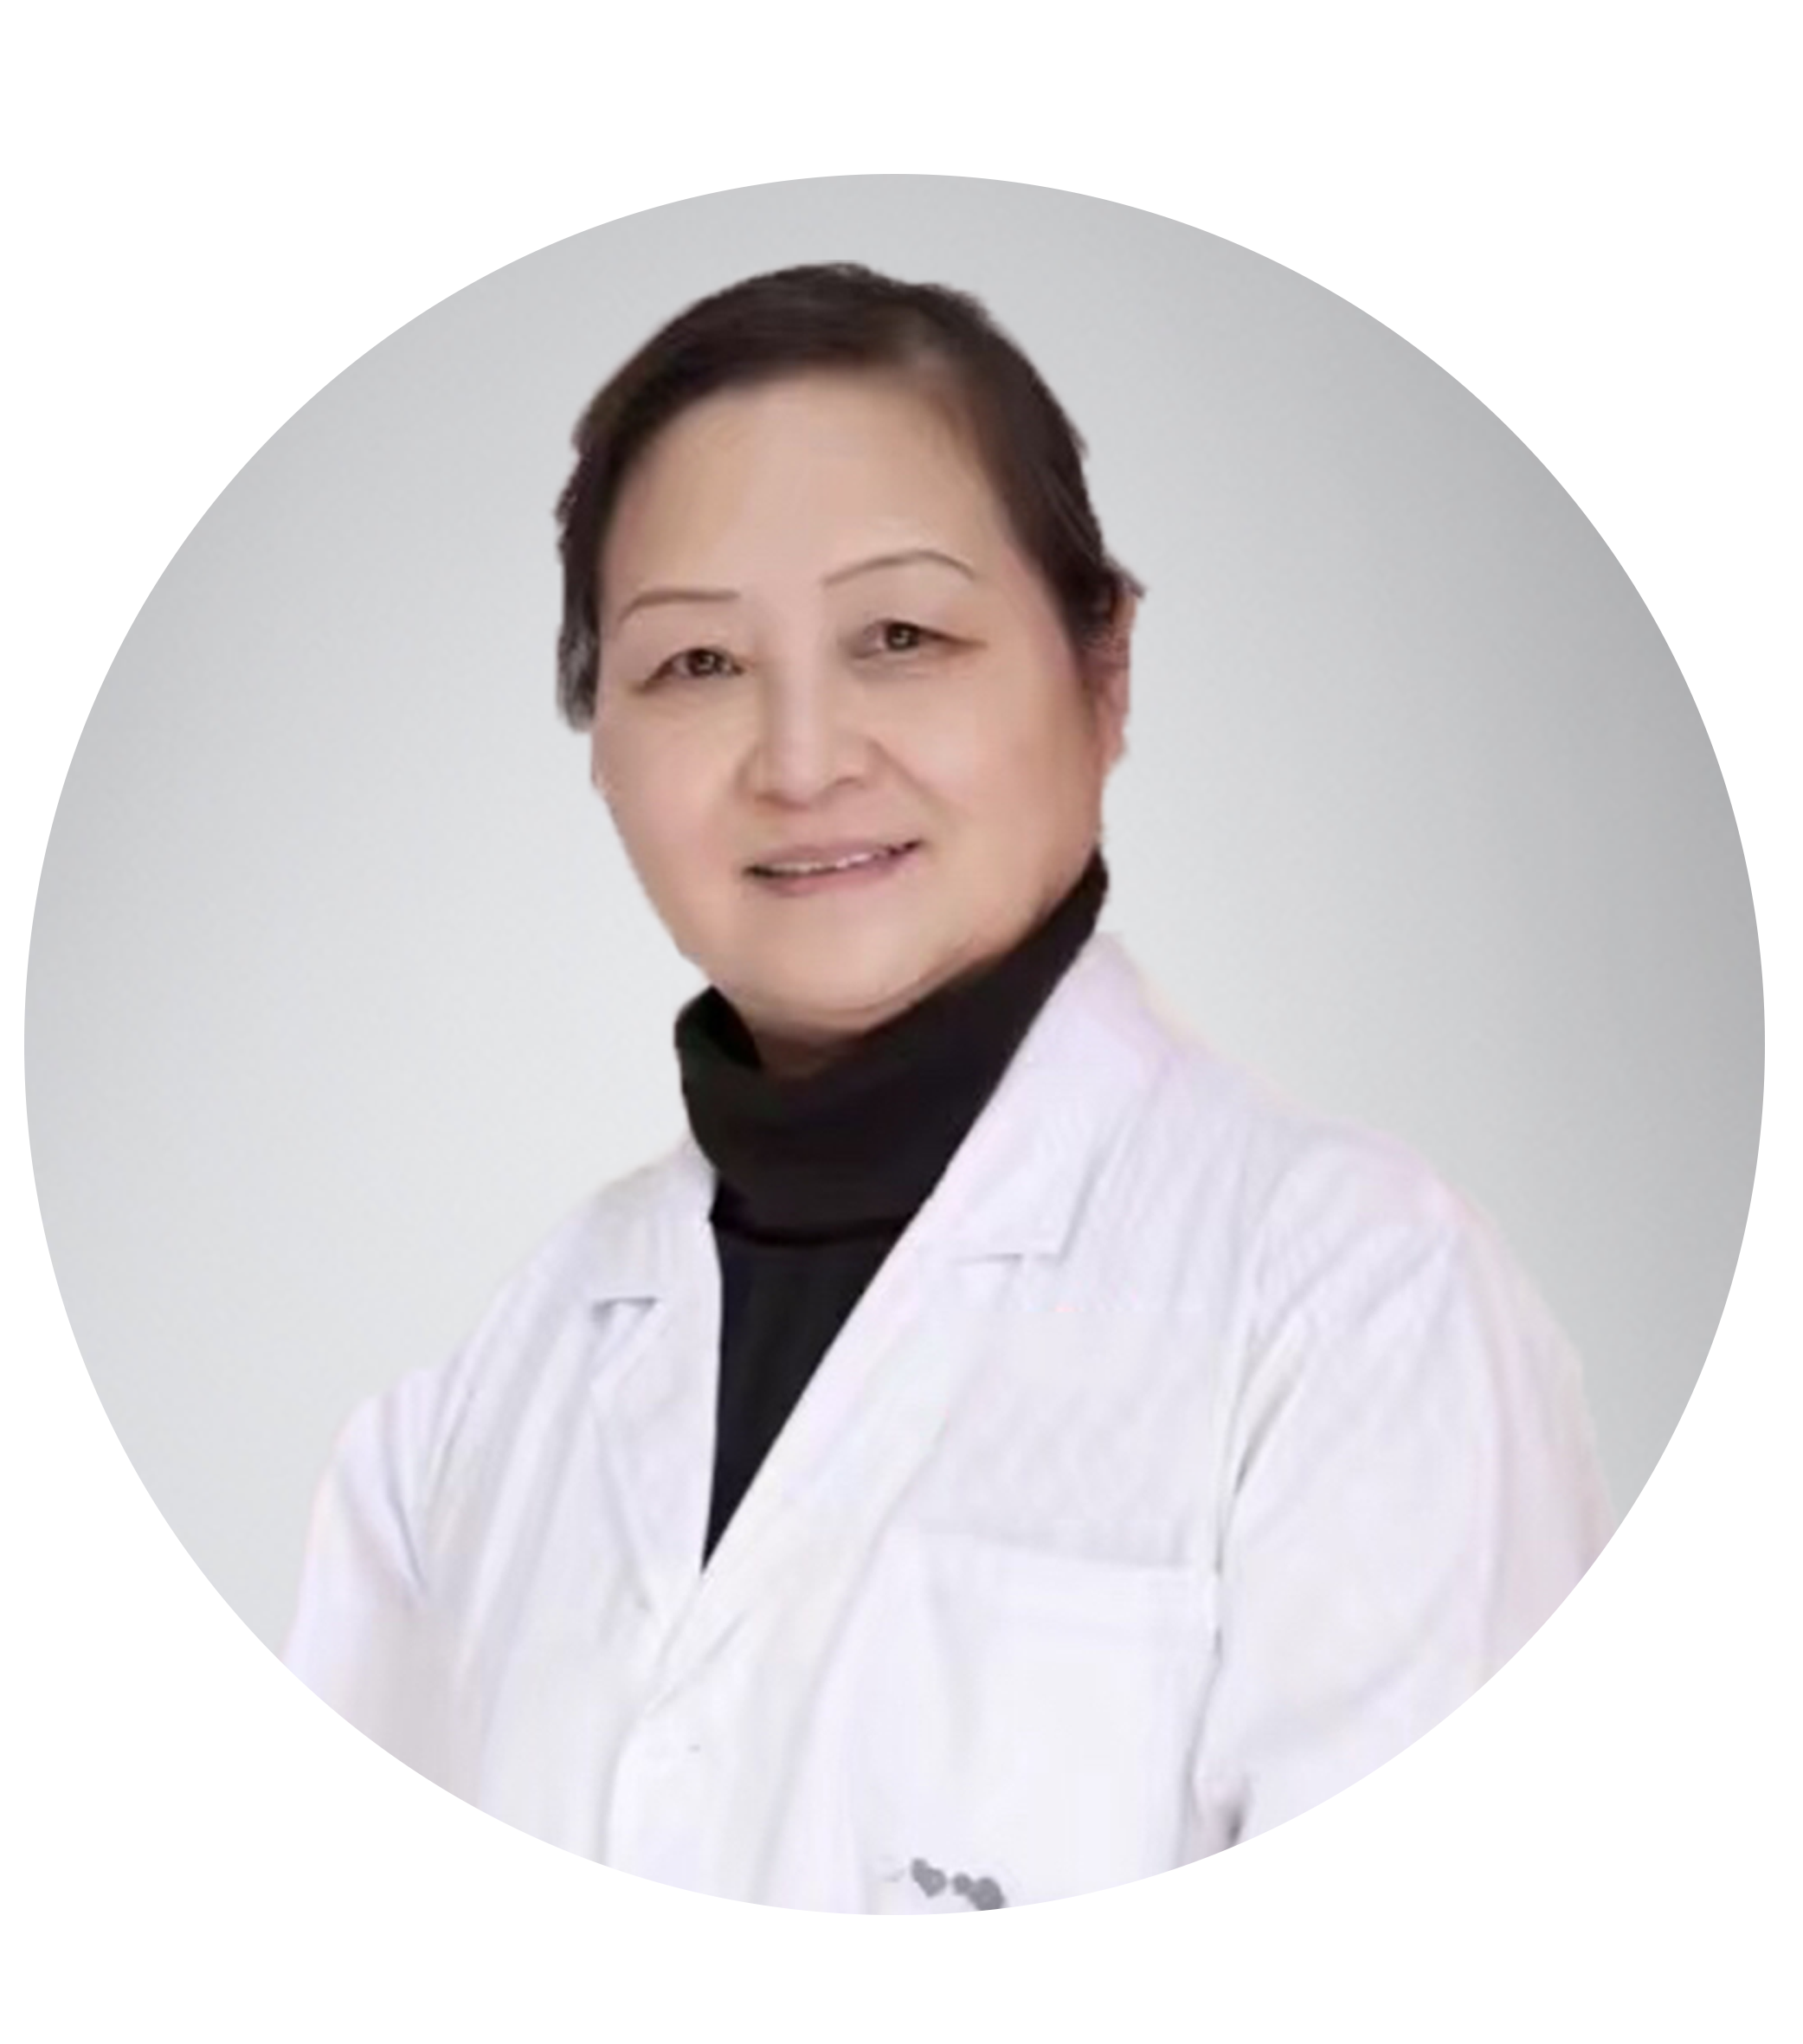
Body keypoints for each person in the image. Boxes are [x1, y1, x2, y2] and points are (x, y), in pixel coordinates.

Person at [254, 262, 1629, 1914]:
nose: (802, 758)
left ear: (1104, 671)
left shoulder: (1353, 1315)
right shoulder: (491, 1399)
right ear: (598, 738)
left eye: (901, 636)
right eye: (696, 663)